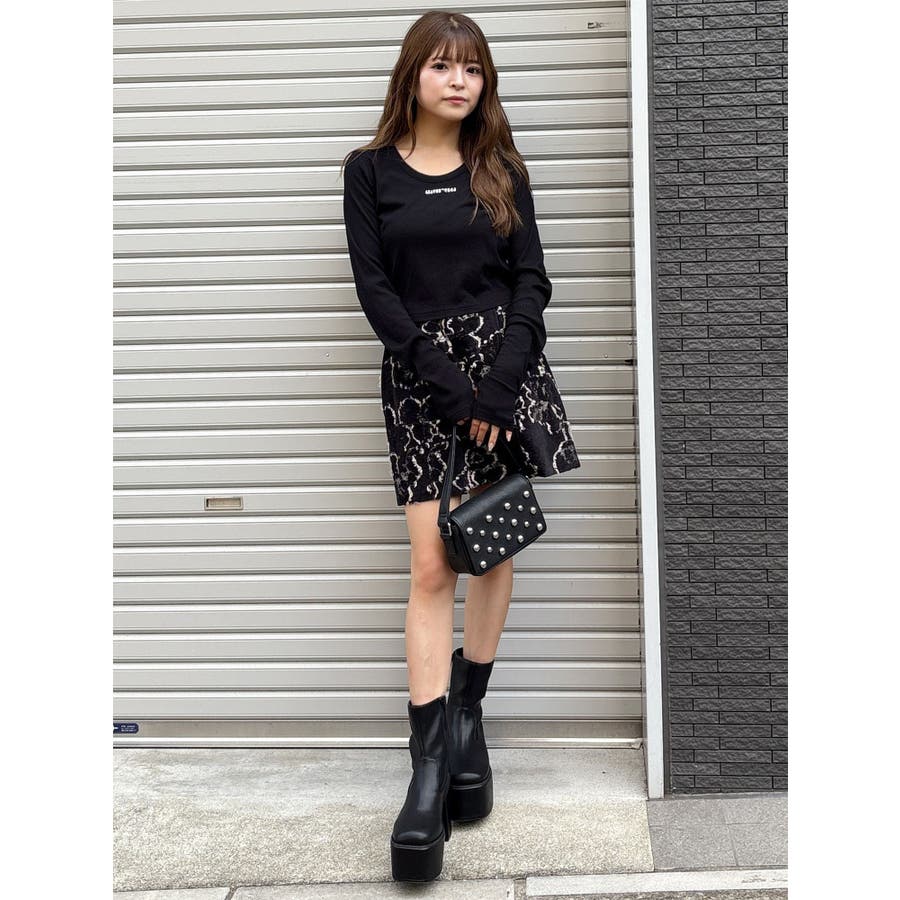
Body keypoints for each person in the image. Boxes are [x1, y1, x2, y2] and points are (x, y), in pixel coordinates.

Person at [340, 9, 580, 883]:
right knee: (432, 565)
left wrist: (501, 384)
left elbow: (532, 279)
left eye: (472, 69)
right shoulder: (369, 171)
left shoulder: (500, 167)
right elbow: (375, 290)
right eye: (443, 66)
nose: (458, 82)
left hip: (504, 376)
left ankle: (469, 713)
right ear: (413, 75)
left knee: (492, 544)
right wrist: (449, 384)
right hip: (422, 381)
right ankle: (430, 765)